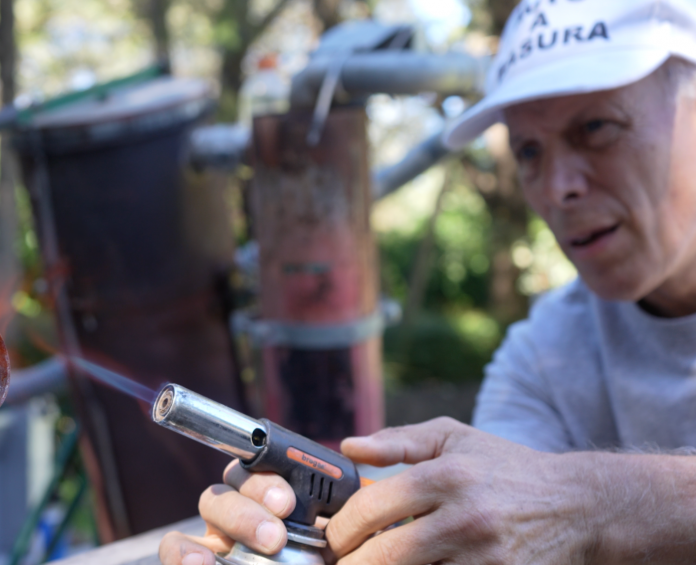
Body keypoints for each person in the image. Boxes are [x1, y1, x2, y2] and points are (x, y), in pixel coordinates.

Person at [160, 1, 696, 563]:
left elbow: (551, 502)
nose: (557, 186)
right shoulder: (544, 361)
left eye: (597, 127)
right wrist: (321, 540)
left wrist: (592, 501)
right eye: (528, 150)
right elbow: (497, 524)